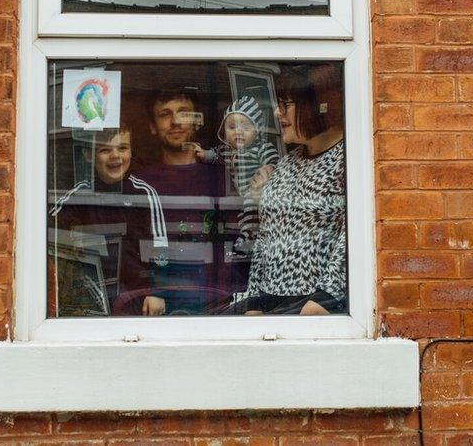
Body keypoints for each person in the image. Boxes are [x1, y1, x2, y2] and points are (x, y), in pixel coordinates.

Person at [243, 64, 347, 316]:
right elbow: (266, 235)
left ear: (316, 106)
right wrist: (253, 300)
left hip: (314, 307)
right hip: (269, 301)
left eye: (286, 104)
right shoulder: (286, 163)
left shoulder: (347, 159)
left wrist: (327, 298)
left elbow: (354, 237)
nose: (278, 113)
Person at [46, 122, 165, 316]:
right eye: (104, 150)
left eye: (123, 148)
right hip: (88, 299)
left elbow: (160, 247)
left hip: (137, 298)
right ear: (88, 155)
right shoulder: (77, 197)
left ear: (131, 152)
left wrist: (156, 291)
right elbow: (48, 240)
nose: (115, 156)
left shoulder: (144, 194)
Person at [132, 87, 227, 316]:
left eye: (183, 113)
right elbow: (133, 248)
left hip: (219, 302)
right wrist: (154, 289)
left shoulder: (222, 176)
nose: (175, 121)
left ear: (197, 122)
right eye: (165, 114)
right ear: (153, 127)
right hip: (159, 303)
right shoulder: (139, 182)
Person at [194, 95, 280, 247]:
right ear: (224, 130)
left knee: (250, 209)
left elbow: (274, 162)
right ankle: (246, 235)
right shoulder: (227, 151)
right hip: (240, 193)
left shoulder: (261, 148)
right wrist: (203, 154)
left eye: (246, 128)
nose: (238, 132)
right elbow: (215, 156)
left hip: (257, 191)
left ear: (257, 131)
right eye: (232, 127)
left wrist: (268, 169)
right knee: (242, 214)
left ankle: (250, 239)